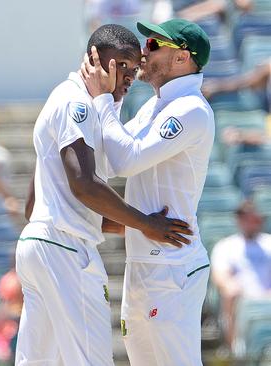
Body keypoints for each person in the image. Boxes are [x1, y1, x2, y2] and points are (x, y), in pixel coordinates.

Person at [15, 24, 192, 366]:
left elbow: (35, 204)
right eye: (122, 64)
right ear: (95, 59)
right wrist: (144, 224)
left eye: (135, 66)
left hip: (40, 245)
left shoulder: (76, 102)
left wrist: (135, 226)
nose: (130, 74)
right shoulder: (76, 102)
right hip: (66, 249)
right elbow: (84, 184)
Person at [81, 18, 214, 366]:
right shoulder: (154, 106)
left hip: (171, 264)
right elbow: (109, 163)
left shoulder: (191, 109)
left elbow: (125, 160)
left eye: (154, 46)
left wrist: (104, 100)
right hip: (145, 261)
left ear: (183, 58)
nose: (143, 52)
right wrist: (112, 98)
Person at [211, 201, 271, 349]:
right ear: (238, 220)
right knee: (230, 293)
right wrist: (231, 286)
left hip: (268, 296)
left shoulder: (268, 242)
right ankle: (234, 350)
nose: (249, 222)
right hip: (241, 299)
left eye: (252, 217)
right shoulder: (226, 245)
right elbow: (220, 275)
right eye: (244, 218)